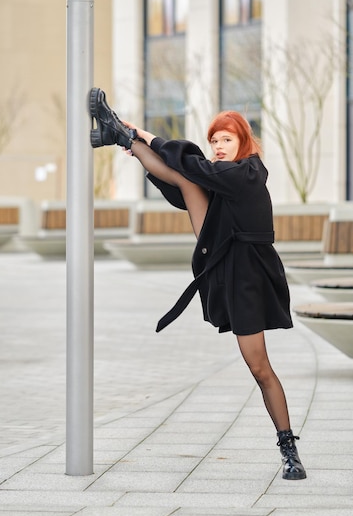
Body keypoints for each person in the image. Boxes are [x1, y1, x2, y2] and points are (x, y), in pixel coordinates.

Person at [89, 87, 306, 480]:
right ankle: (119, 134)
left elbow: (194, 167)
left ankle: (289, 448)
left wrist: (147, 138)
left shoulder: (250, 171)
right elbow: (185, 180)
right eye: (215, 140)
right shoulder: (221, 177)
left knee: (259, 366)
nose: (219, 146)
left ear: (243, 142)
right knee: (187, 181)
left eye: (227, 139)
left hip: (251, 276)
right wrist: (139, 145)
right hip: (225, 258)